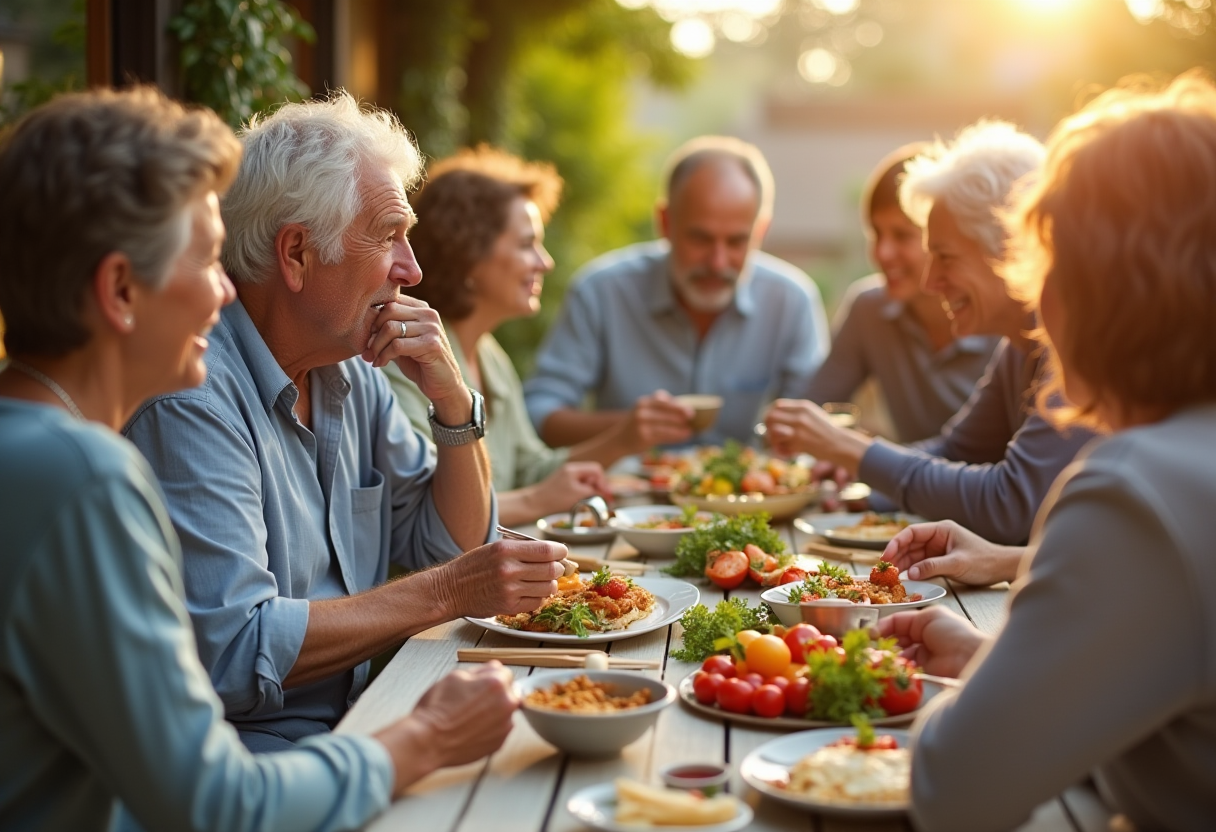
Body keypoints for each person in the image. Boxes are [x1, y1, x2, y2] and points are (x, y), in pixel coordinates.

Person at [0, 86, 518, 832]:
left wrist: (453, 406)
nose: (224, 291)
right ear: (119, 290)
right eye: (208, 260)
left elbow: (444, 546)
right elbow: (216, 800)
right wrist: (427, 736)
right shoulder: (80, 476)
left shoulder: (45, 450)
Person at [123, 91, 568, 752]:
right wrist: (447, 592)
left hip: (368, 714)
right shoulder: (194, 394)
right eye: (389, 235)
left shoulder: (350, 370)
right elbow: (236, 650)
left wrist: (453, 406)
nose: (412, 270)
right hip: (258, 758)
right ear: (296, 254)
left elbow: (449, 543)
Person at [880, 73, 1216, 832]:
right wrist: (1005, 669)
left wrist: (990, 691)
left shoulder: (1135, 493)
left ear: (1092, 287)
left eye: (1040, 258)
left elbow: (952, 793)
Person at [765, 121, 1095, 545]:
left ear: (1011, 249)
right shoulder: (1018, 344)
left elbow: (1012, 505)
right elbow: (956, 451)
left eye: (945, 257)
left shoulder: (1073, 343)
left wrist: (854, 452)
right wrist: (863, 482)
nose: (929, 281)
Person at [385, 148, 670, 524]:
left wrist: (625, 439)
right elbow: (431, 513)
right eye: (526, 244)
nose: (545, 262)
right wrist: (538, 500)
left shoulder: (490, 355)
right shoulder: (404, 358)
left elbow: (532, 469)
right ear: (467, 254)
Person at [523, 135, 831, 448]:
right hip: (628, 493)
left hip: (753, 493)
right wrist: (627, 428)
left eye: (737, 242)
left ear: (760, 232)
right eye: (700, 239)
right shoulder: (601, 292)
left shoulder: (791, 300)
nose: (717, 262)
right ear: (665, 223)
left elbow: (817, 422)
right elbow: (538, 412)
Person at [804, 144, 999, 442]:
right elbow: (815, 409)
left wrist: (870, 454)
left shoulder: (998, 322)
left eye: (902, 235)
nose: (883, 253)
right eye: (875, 233)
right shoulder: (868, 309)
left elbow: (982, 459)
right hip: (910, 481)